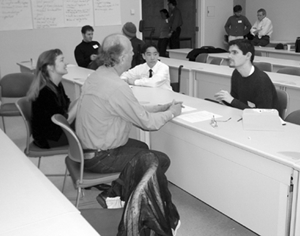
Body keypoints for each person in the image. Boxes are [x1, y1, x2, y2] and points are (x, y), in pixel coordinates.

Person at [75, 33, 182, 208]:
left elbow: (123, 107)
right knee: (159, 160)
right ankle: (116, 196)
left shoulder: (98, 76)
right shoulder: (117, 86)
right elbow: (148, 124)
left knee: (143, 148)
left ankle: (119, 190)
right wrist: (172, 112)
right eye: (132, 51)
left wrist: (157, 108)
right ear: (123, 57)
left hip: (87, 149)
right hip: (100, 156)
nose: (134, 54)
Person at [26, 49, 78, 148]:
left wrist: (83, 97)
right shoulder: (44, 92)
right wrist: (82, 100)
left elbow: (67, 107)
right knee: (88, 130)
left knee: (88, 122)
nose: (66, 63)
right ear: (50, 67)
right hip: (50, 138)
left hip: (57, 131)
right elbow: (65, 121)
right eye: (61, 60)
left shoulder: (57, 84)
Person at [214, 39, 279, 111]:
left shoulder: (261, 80)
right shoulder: (236, 73)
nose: (229, 56)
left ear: (248, 55)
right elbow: (236, 103)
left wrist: (231, 100)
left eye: (234, 53)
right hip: (244, 117)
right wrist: (225, 101)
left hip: (267, 120)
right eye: (229, 52)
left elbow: (263, 114)